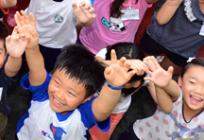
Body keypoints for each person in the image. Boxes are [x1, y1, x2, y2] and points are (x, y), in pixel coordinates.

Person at [14, 11, 138, 139]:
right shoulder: (43, 92)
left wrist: (113, 86)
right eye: (57, 83)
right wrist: (32, 47)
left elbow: (103, 109)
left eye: (71, 93)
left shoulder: (84, 115)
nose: (59, 95)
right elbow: (37, 69)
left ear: (87, 98)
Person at [118, 57, 204, 140]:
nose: (198, 91)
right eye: (192, 82)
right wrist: (163, 84)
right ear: (180, 81)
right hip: (139, 136)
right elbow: (170, 88)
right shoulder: (178, 94)